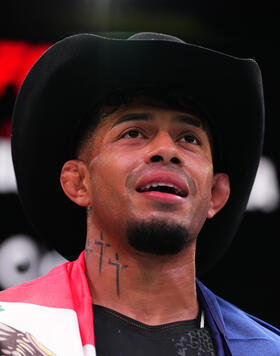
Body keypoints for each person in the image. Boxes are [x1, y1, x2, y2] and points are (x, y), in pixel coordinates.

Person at [0, 32, 279, 356]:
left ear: (216, 194)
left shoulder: (266, 349)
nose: (166, 150)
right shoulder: (9, 333)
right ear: (78, 182)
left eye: (189, 138)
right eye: (133, 133)